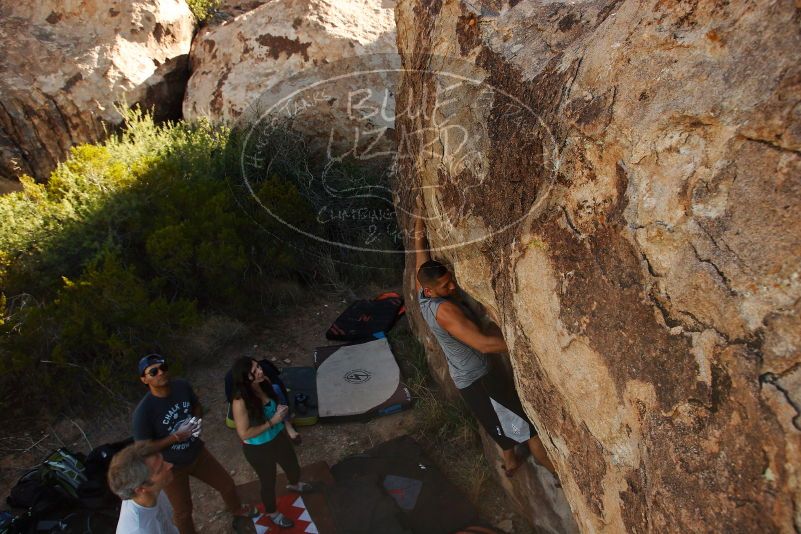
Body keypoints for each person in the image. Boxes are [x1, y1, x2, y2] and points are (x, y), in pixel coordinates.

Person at [412, 210, 557, 478]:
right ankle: (553, 472)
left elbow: (419, 253)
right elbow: (484, 345)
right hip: (481, 382)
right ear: (431, 292)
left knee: (499, 423)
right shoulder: (444, 311)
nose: (453, 287)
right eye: (445, 286)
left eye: (450, 281)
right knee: (527, 431)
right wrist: (530, 347)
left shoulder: (424, 290)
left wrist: (419, 219)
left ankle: (510, 461)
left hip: (470, 379)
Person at [131, 354, 254, 534]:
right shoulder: (143, 412)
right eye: (153, 371)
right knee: (183, 512)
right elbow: (143, 448)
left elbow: (196, 406)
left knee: (226, 484)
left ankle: (236, 510)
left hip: (197, 453)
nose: (160, 373)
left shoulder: (181, 386)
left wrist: (195, 420)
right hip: (171, 467)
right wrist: (175, 437)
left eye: (163, 368)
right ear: (144, 379)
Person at [231, 356, 312, 529]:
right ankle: (272, 512)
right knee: (268, 481)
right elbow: (244, 433)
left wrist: (288, 427)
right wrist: (272, 422)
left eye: (258, 366)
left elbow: (278, 409)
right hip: (258, 448)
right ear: (245, 378)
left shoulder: (265, 382)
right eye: (254, 371)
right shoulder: (240, 402)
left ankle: (294, 484)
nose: (260, 371)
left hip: (278, 437)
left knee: (292, 466)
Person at [107, 441, 177, 534]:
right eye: (160, 469)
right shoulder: (138, 530)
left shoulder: (154, 491)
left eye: (163, 461)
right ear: (141, 489)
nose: (170, 465)